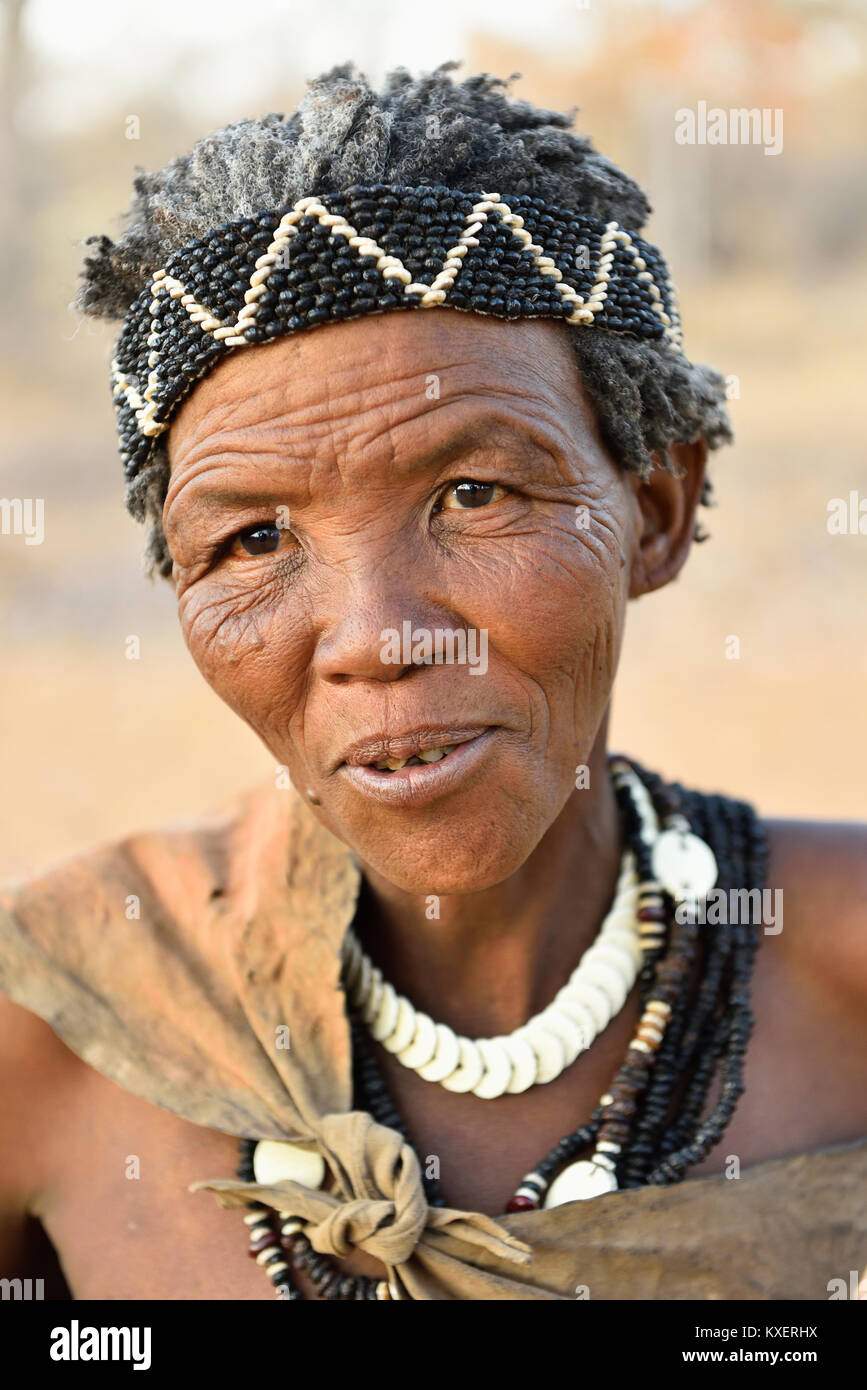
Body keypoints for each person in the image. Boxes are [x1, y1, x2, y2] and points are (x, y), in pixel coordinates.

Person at [1, 64, 865, 1302]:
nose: (377, 637)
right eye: (252, 541)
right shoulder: (60, 1021)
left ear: (657, 510)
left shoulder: (845, 971)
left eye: (474, 495)